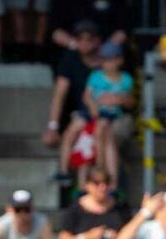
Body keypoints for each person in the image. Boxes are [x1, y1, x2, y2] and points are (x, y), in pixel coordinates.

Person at [41, 19, 100, 186]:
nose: (84, 43)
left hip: (106, 114)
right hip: (82, 114)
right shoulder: (70, 59)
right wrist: (53, 126)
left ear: (97, 41)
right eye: (80, 39)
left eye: (89, 39)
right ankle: (64, 172)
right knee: (72, 134)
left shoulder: (108, 61)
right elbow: (59, 94)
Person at [82, 40, 133, 186]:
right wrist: (94, 108)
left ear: (119, 60)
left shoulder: (126, 79)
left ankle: (109, 178)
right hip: (99, 115)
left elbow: (130, 102)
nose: (108, 64)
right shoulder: (95, 76)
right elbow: (87, 96)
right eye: (105, 60)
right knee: (102, 129)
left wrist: (120, 100)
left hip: (116, 116)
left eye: (111, 60)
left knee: (108, 137)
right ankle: (101, 167)